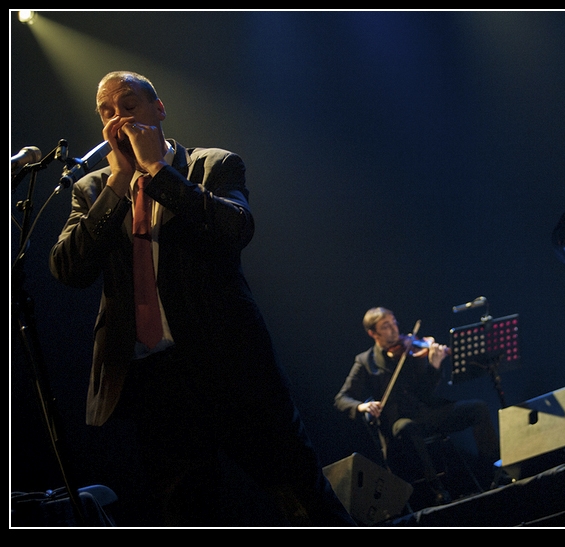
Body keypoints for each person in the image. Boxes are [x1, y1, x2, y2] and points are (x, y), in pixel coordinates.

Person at [49, 70, 355, 527]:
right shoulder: (93, 189)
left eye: (128, 106)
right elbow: (68, 269)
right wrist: (118, 182)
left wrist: (157, 171)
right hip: (155, 379)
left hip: (230, 364)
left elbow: (235, 229)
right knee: (187, 511)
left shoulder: (212, 165)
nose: (118, 120)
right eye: (106, 113)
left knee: (298, 491)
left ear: (159, 109)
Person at [334, 307, 502, 504]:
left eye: (394, 323)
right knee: (407, 426)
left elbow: (425, 391)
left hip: (429, 413)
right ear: (373, 333)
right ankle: (437, 491)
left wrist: (435, 366)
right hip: (399, 421)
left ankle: (492, 472)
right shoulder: (366, 361)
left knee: (478, 408)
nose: (394, 329)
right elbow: (342, 398)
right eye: (386, 326)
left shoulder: (411, 349)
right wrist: (362, 407)